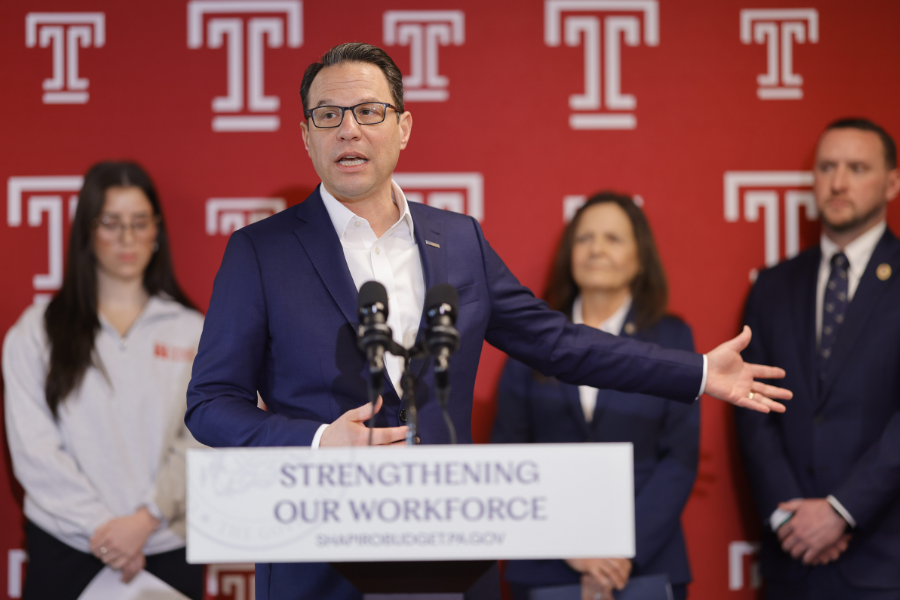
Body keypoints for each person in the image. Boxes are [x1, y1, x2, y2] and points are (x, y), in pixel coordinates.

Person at [185, 42, 790, 600]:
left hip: (447, 550)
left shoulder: (458, 239)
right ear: (306, 136)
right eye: (328, 115)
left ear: (403, 127)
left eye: (369, 111)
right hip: (315, 555)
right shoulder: (260, 251)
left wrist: (700, 371)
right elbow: (211, 402)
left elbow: (556, 342)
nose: (349, 129)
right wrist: (319, 442)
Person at [3, 161, 205, 600]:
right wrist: (102, 529)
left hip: (166, 545)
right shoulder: (36, 331)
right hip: (66, 546)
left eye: (139, 223)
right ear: (87, 231)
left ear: (157, 231)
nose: (127, 239)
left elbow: (201, 437)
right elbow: (34, 450)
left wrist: (145, 520)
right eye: (111, 223)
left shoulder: (194, 331)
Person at [492, 192, 699, 600]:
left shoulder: (673, 340)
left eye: (613, 238)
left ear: (641, 259)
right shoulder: (529, 341)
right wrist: (574, 547)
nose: (596, 249)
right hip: (547, 564)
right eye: (584, 238)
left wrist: (619, 552)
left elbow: (679, 459)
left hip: (646, 564)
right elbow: (507, 456)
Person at [735, 118, 900, 600]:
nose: (839, 181)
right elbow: (751, 405)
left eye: (857, 167)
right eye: (827, 167)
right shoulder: (771, 286)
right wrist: (790, 518)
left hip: (885, 558)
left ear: (892, 182)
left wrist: (842, 509)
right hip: (792, 560)